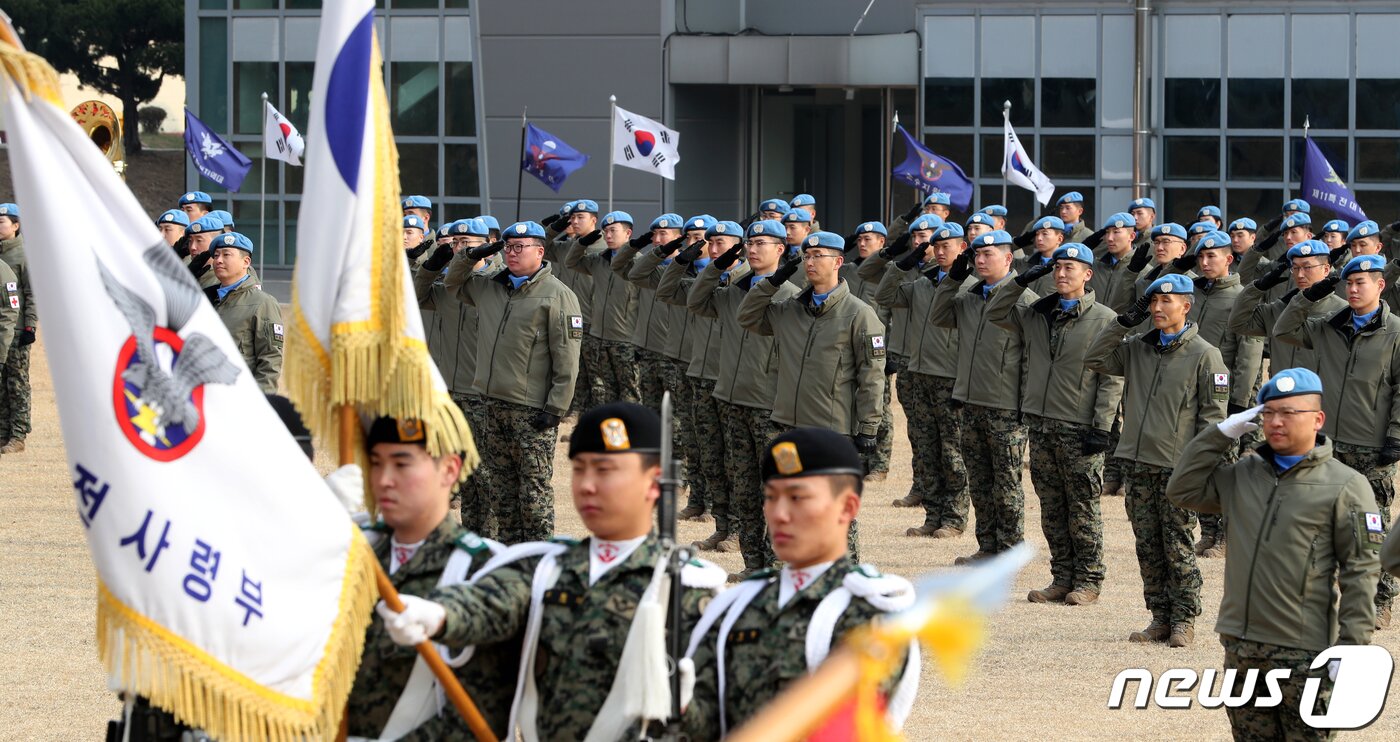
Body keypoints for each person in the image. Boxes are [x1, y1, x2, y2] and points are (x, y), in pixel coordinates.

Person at [376, 402, 726, 741]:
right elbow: (490, 601)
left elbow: (720, 721)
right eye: (579, 469)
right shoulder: (546, 566)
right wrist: (438, 613)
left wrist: (683, 704)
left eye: (605, 470)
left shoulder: (692, 588)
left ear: (654, 483)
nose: (587, 485)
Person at [1167, 368, 1381, 740]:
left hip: (1304, 653)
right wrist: (1219, 434)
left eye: (1288, 413)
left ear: (1317, 419)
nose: (1276, 422)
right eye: (1268, 413)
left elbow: (1361, 573)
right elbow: (1182, 489)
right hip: (1241, 647)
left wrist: (1353, 649)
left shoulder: (1347, 485)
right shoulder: (1243, 475)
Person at [683, 427, 918, 740]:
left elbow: (848, 729)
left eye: (798, 497)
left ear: (847, 507)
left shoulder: (872, 615)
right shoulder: (738, 604)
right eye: (771, 497)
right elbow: (705, 724)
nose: (779, 514)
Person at [345, 416, 519, 740]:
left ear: (450, 470)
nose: (383, 480)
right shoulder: (351, 549)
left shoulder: (479, 569)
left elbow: (477, 721)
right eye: (376, 464)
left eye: (401, 464)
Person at [1087, 273, 1226, 646]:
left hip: (1177, 467)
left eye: (1167, 301)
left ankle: (1184, 619)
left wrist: (1201, 467)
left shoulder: (1205, 355)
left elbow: (1214, 420)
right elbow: (1095, 357)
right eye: (1153, 302)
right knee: (1147, 545)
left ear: (1186, 305)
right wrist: (1121, 323)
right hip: (1137, 462)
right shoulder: (1137, 347)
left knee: (1177, 544)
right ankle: (1159, 618)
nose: (1158, 308)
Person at [987, 243, 1123, 605]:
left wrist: (1102, 426)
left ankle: (1089, 580)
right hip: (1041, 423)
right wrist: (1020, 282)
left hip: (1079, 427)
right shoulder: (1037, 313)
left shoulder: (1105, 319)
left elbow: (1111, 378)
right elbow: (994, 311)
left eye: (1071, 268)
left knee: (1082, 507)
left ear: (1088, 275)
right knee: (1051, 506)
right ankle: (1062, 577)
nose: (1062, 274)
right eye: (1058, 267)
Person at [737, 231, 885, 561]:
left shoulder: (860, 315)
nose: (811, 262)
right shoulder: (790, 309)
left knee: (831, 503)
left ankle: (844, 570)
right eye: (807, 256)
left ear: (838, 262)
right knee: (783, 496)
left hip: (830, 431)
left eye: (819, 255)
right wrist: (772, 282)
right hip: (787, 426)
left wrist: (869, 429)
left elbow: (872, 377)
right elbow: (746, 316)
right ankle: (779, 568)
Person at [1274, 254, 1400, 629]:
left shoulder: (1395, 332)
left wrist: (1395, 435)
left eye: (1363, 282)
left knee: (1371, 525)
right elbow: (1283, 328)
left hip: (1372, 445)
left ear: (1380, 286)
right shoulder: (1328, 325)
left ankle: (1379, 600)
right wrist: (1314, 292)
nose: (1355, 289)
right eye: (1349, 283)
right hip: (1327, 444)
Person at [443, 220, 581, 544]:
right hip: (493, 404)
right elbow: (452, 282)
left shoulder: (557, 295)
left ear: (540, 251)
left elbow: (567, 358)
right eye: (508, 247)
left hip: (531, 410)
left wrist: (556, 407)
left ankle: (536, 555)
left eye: (521, 247)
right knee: (502, 492)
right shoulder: (490, 285)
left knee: (532, 492)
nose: (513, 253)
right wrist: (473, 253)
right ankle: (508, 554)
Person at [685, 219, 794, 565]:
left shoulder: (790, 295)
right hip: (733, 402)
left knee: (776, 489)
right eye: (750, 242)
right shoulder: (733, 291)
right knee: (744, 490)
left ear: (780, 249)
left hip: (770, 407)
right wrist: (716, 264)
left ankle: (778, 564)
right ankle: (753, 564)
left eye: (762, 243)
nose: (753, 248)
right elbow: (695, 300)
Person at [929, 229, 1036, 565]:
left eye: (988, 254)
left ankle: (1010, 551)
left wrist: (1024, 405)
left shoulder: (1025, 300)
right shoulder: (969, 297)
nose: (980, 259)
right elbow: (938, 317)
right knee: (980, 480)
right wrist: (952, 280)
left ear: (1008, 258)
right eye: (976, 255)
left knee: (1006, 483)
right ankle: (987, 546)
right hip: (972, 401)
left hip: (1006, 406)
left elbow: (1033, 357)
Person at [875, 222, 969, 539]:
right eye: (936, 246)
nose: (940, 251)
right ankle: (933, 514)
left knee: (952, 451)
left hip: (951, 377)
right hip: (919, 374)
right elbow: (884, 294)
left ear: (962, 248)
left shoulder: (969, 286)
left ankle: (954, 518)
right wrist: (904, 263)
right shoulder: (922, 284)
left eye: (947, 246)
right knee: (926, 450)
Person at [1183, 230, 1266, 558]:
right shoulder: (1193, 294)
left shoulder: (1240, 297)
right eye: (1201, 256)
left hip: (1225, 398)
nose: (1204, 262)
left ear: (1229, 259)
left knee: (1227, 467)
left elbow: (1249, 353)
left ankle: (1229, 536)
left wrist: (1239, 402)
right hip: (1192, 395)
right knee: (1202, 465)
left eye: (1212, 256)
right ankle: (1210, 531)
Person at [655, 220, 743, 525]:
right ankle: (709, 511)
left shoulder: (747, 284)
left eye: (721, 243)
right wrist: (681, 259)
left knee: (733, 457)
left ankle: (735, 524)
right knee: (702, 448)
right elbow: (667, 291)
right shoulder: (707, 283)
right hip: (699, 373)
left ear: (738, 247)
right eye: (711, 243)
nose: (714, 248)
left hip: (729, 379)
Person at [416, 218, 496, 536]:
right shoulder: (446, 290)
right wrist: (433, 264)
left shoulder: (495, 285)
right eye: (456, 243)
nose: (460, 248)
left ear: (485, 246)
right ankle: (455, 536)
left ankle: (485, 537)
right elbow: (416, 295)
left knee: (481, 475)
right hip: (448, 391)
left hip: (482, 392)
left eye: (468, 243)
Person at [859, 214, 943, 497]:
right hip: (904, 356)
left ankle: (939, 492)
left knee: (940, 434)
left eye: (926, 237)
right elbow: (866, 273)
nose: (920, 242)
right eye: (916, 237)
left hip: (934, 360)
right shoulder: (903, 268)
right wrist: (891, 254)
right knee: (917, 430)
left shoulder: (944, 273)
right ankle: (921, 487)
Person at [1228, 240, 1348, 375]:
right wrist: (1257, 288)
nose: (1300, 274)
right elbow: (1238, 323)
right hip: (1279, 392)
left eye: (1307, 267)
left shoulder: (1342, 312)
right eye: (1295, 268)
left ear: (1326, 269)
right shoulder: (1279, 308)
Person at [566, 211, 642, 406]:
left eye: (613, 231)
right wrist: (582, 243)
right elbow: (571, 262)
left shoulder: (639, 263)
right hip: (600, 335)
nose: (608, 235)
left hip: (625, 338)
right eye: (605, 231)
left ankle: (631, 434)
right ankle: (611, 436)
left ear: (628, 233)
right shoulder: (598, 260)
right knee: (607, 392)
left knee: (630, 392)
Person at [839, 221, 895, 481]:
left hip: (877, 346)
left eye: (869, 239)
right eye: (859, 239)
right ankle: (859, 461)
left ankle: (880, 463)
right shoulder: (849, 270)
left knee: (879, 404)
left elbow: (894, 312)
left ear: (882, 243)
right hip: (850, 345)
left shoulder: (889, 272)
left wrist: (892, 348)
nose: (862, 243)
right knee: (853, 404)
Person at [613, 214, 682, 411]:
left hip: (671, 352)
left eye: (663, 234)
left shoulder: (686, 269)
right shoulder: (647, 269)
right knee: (651, 409)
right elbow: (617, 266)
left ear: (678, 237)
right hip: (646, 347)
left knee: (675, 414)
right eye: (654, 235)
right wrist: (634, 245)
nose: (657, 240)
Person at [201, 232, 282, 394]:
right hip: (206, 395)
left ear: (246, 262)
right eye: (216, 255)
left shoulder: (263, 303)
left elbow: (270, 359)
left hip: (240, 397)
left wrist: (261, 401)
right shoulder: (205, 299)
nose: (218, 260)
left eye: (226, 255)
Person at [0, 203, 33, 454]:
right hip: (2, 327)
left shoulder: (23, 255)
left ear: (16, 225)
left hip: (18, 328)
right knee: (2, 384)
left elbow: (32, 293)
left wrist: (30, 325)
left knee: (17, 382)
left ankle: (18, 434)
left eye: (2, 221)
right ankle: (3, 433)